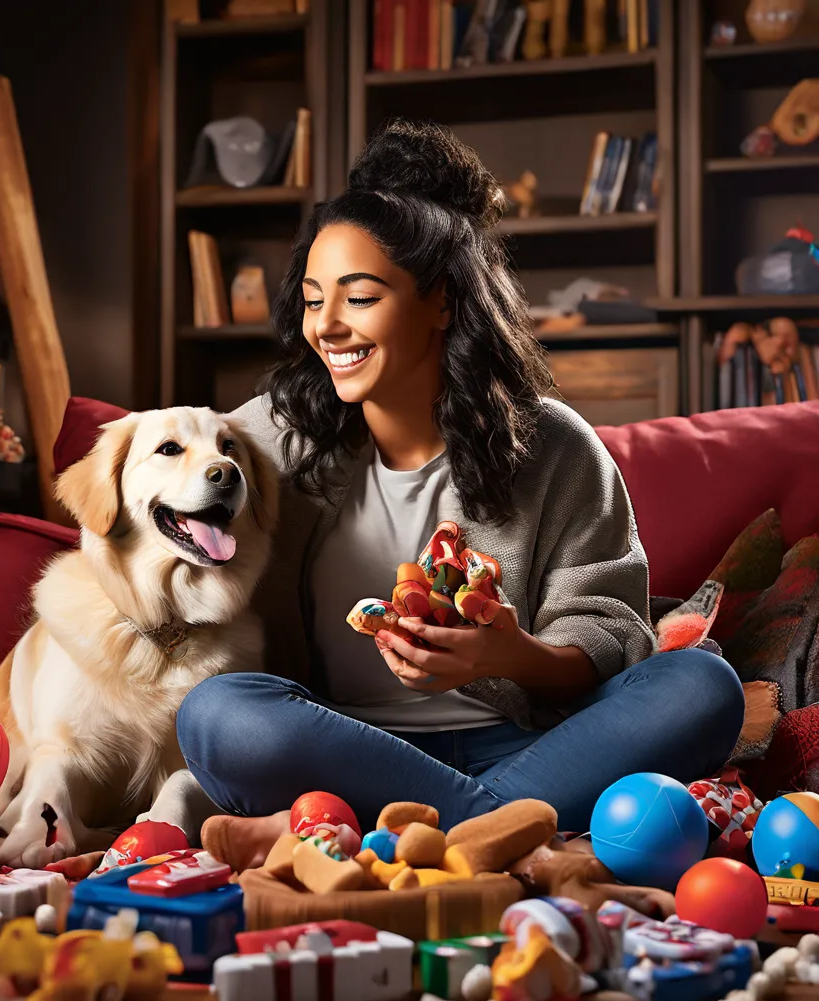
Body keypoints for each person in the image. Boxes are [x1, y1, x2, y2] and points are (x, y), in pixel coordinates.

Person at [174, 118, 744, 863]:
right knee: (219, 716)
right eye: (314, 301)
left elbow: (609, 632)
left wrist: (506, 655)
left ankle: (401, 832)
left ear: (441, 301)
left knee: (703, 684)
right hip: (342, 744)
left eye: (360, 296)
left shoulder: (553, 443)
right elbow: (159, 478)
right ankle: (502, 831)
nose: (328, 327)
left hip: (540, 745)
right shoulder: (268, 439)